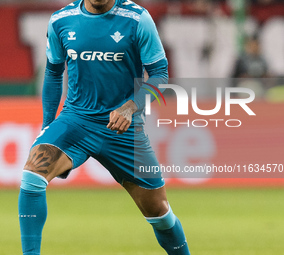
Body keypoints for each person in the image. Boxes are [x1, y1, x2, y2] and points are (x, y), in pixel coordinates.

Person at [18, 0, 190, 254]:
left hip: (123, 129)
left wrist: (132, 107)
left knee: (159, 213)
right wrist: (47, 126)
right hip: (76, 120)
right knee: (33, 174)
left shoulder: (137, 19)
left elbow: (159, 73)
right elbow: (53, 72)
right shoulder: (60, 20)